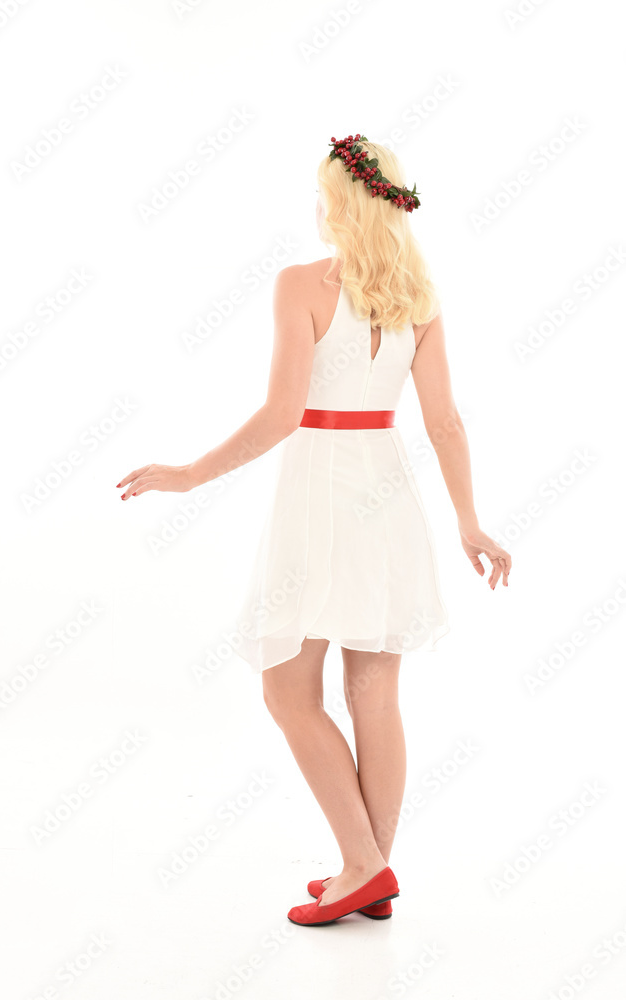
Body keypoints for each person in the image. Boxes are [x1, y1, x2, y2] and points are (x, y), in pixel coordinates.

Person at [116, 133, 512, 927]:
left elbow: (280, 415)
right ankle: (367, 873)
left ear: (338, 202)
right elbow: (445, 423)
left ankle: (362, 868)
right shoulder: (420, 297)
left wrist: (191, 472)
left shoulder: (299, 284)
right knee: (374, 689)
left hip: (320, 493)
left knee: (286, 688)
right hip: (388, 490)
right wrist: (468, 520)